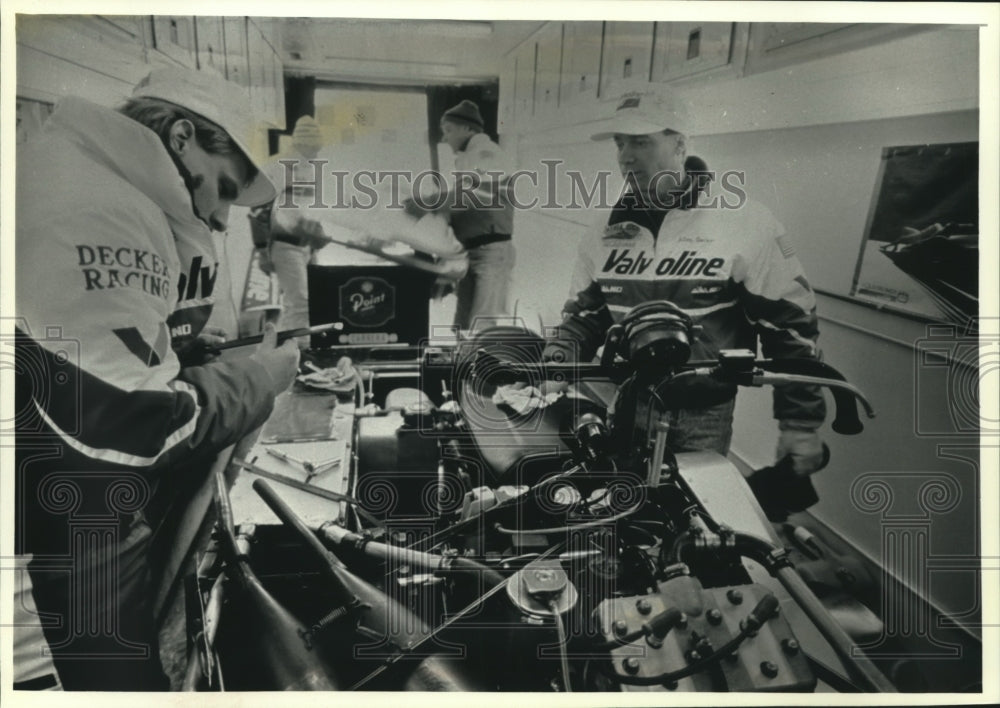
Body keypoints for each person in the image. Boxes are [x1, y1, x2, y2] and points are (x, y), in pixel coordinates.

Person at [14, 66, 300, 690]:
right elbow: (131, 420)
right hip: (52, 560)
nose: (222, 218)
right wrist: (263, 379)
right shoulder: (103, 210)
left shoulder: (65, 167)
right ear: (179, 137)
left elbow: (53, 355)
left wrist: (178, 350)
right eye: (223, 188)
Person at [544, 90, 827, 475]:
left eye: (641, 142)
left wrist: (800, 423)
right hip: (630, 405)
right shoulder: (602, 231)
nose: (626, 156)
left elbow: (790, 325)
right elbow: (587, 316)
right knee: (624, 512)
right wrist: (557, 363)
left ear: (679, 145)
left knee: (695, 518)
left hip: (703, 415)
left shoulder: (745, 222)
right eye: (620, 143)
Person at [433, 99, 516, 331]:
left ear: (468, 129)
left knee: (482, 327)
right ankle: (463, 364)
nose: (444, 138)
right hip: (474, 251)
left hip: (491, 253)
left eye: (449, 130)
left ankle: (476, 366)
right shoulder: (470, 156)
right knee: (463, 325)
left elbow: (472, 197)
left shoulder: (486, 154)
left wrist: (427, 205)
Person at [250, 115, 330, 348]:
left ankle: (296, 349)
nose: (318, 150)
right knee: (301, 303)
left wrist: (318, 236)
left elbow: (309, 211)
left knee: (308, 301)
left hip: (306, 247)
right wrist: (262, 251)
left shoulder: (311, 169)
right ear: (305, 143)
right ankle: (299, 353)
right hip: (284, 246)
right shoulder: (278, 166)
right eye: (315, 146)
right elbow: (258, 210)